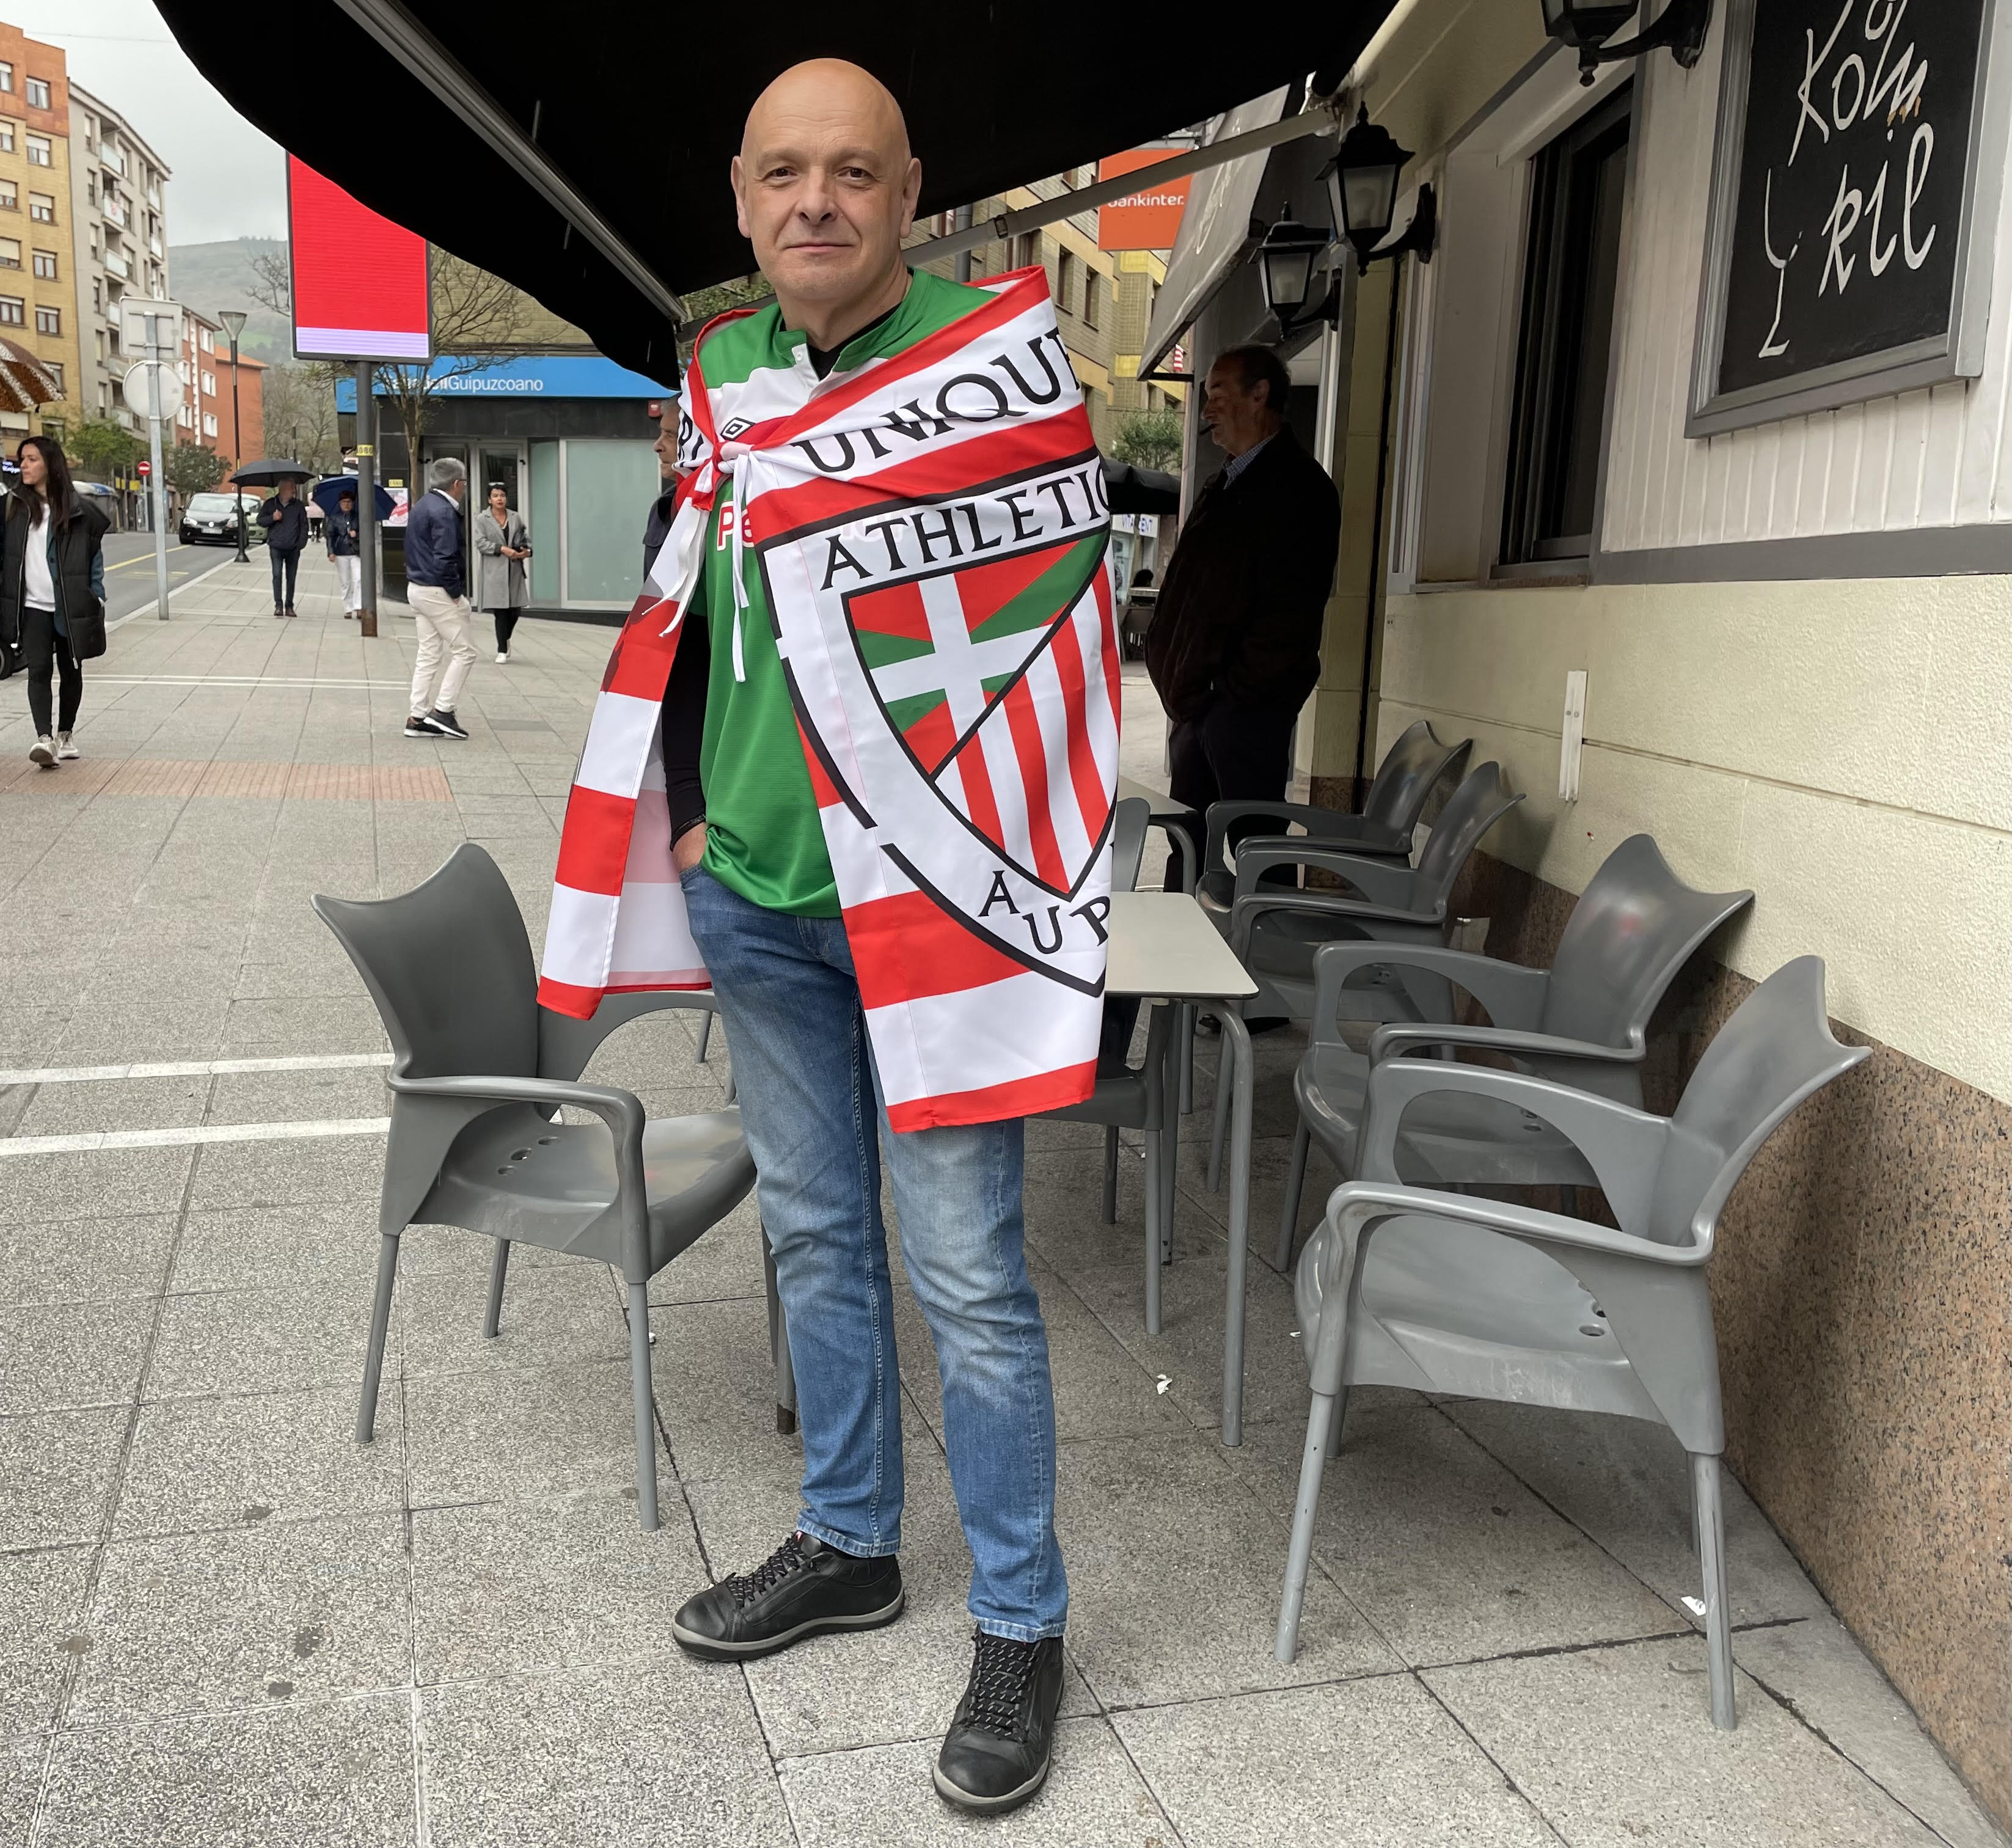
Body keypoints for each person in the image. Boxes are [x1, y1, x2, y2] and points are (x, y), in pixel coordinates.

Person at [653, 61, 1072, 1815]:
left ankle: (1023, 1621)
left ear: (910, 197)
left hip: (931, 908)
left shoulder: (993, 366)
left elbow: (1050, 628)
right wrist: (689, 811)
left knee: (966, 1271)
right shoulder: (713, 374)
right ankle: (848, 1543)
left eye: (852, 173)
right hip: (752, 894)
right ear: (741, 202)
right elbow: (677, 608)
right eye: (782, 175)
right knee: (818, 1239)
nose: (814, 201)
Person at [1146, 345, 1341, 824]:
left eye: (1217, 393)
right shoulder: (1226, 483)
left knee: (1253, 850)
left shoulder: (1297, 487)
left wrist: (1230, 698)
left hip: (1240, 712)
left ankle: (1262, 905)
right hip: (1204, 706)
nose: (1207, 409)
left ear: (1259, 395)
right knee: (1189, 847)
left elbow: (1290, 612)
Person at [0, 436, 109, 768]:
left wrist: (96, 593)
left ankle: (65, 733)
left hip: (69, 603)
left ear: (50, 463)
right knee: (39, 669)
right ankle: (44, 739)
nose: (24, 465)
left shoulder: (79, 511)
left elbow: (94, 557)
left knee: (71, 669)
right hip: (31, 606)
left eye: (31, 459)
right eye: (22, 460)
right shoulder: (12, 506)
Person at [401, 457, 479, 740]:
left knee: (429, 653)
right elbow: (446, 557)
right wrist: (456, 593)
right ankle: (443, 711)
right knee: (465, 651)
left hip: (417, 587)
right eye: (465, 484)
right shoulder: (445, 511)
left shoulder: (422, 505)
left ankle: (417, 716)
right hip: (437, 590)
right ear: (457, 484)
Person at [470, 482, 530, 663]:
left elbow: (525, 539)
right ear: (489, 499)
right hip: (494, 572)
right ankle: (501, 650)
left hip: (514, 571)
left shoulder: (515, 517)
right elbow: (481, 543)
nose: (499, 499)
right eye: (495, 496)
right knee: (501, 612)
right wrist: (502, 549)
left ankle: (506, 638)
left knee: (515, 611)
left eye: (502, 496)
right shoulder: (482, 519)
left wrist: (526, 551)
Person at [642, 395, 682, 581]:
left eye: (670, 435)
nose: (657, 446)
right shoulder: (662, 507)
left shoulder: (732, 509)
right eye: (661, 434)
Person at [256, 478, 309, 617]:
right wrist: (272, 518)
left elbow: (304, 526)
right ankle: (278, 605)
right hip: (276, 547)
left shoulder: (298, 506)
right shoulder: (270, 504)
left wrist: (301, 544)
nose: (294, 491)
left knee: (291, 578)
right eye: (292, 488)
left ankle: (289, 606)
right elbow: (260, 521)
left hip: (293, 548)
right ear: (283, 490)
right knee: (277, 575)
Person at [326, 489, 362, 619]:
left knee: (358, 579)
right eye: (344, 502)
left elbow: (367, 532)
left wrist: (356, 534)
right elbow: (330, 535)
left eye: (349, 502)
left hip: (356, 552)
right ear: (340, 503)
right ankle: (348, 607)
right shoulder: (334, 518)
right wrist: (331, 552)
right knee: (345, 582)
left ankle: (359, 607)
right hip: (341, 552)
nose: (346, 504)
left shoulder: (358, 517)